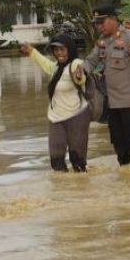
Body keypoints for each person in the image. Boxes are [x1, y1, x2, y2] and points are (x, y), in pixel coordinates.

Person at [78, 3, 130, 173]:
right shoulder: (102, 42)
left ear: (112, 20)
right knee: (118, 142)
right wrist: (80, 70)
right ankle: (126, 179)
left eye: (101, 22)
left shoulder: (129, 38)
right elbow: (91, 61)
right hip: (112, 104)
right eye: (96, 23)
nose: (98, 26)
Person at [20, 34, 90, 172]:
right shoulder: (57, 68)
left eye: (62, 49)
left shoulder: (76, 64)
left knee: (78, 162)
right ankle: (62, 191)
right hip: (56, 118)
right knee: (56, 161)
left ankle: (82, 190)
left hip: (77, 116)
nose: (59, 53)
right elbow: (45, 64)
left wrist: (79, 76)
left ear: (69, 49)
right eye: (56, 50)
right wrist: (32, 51)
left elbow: (81, 78)